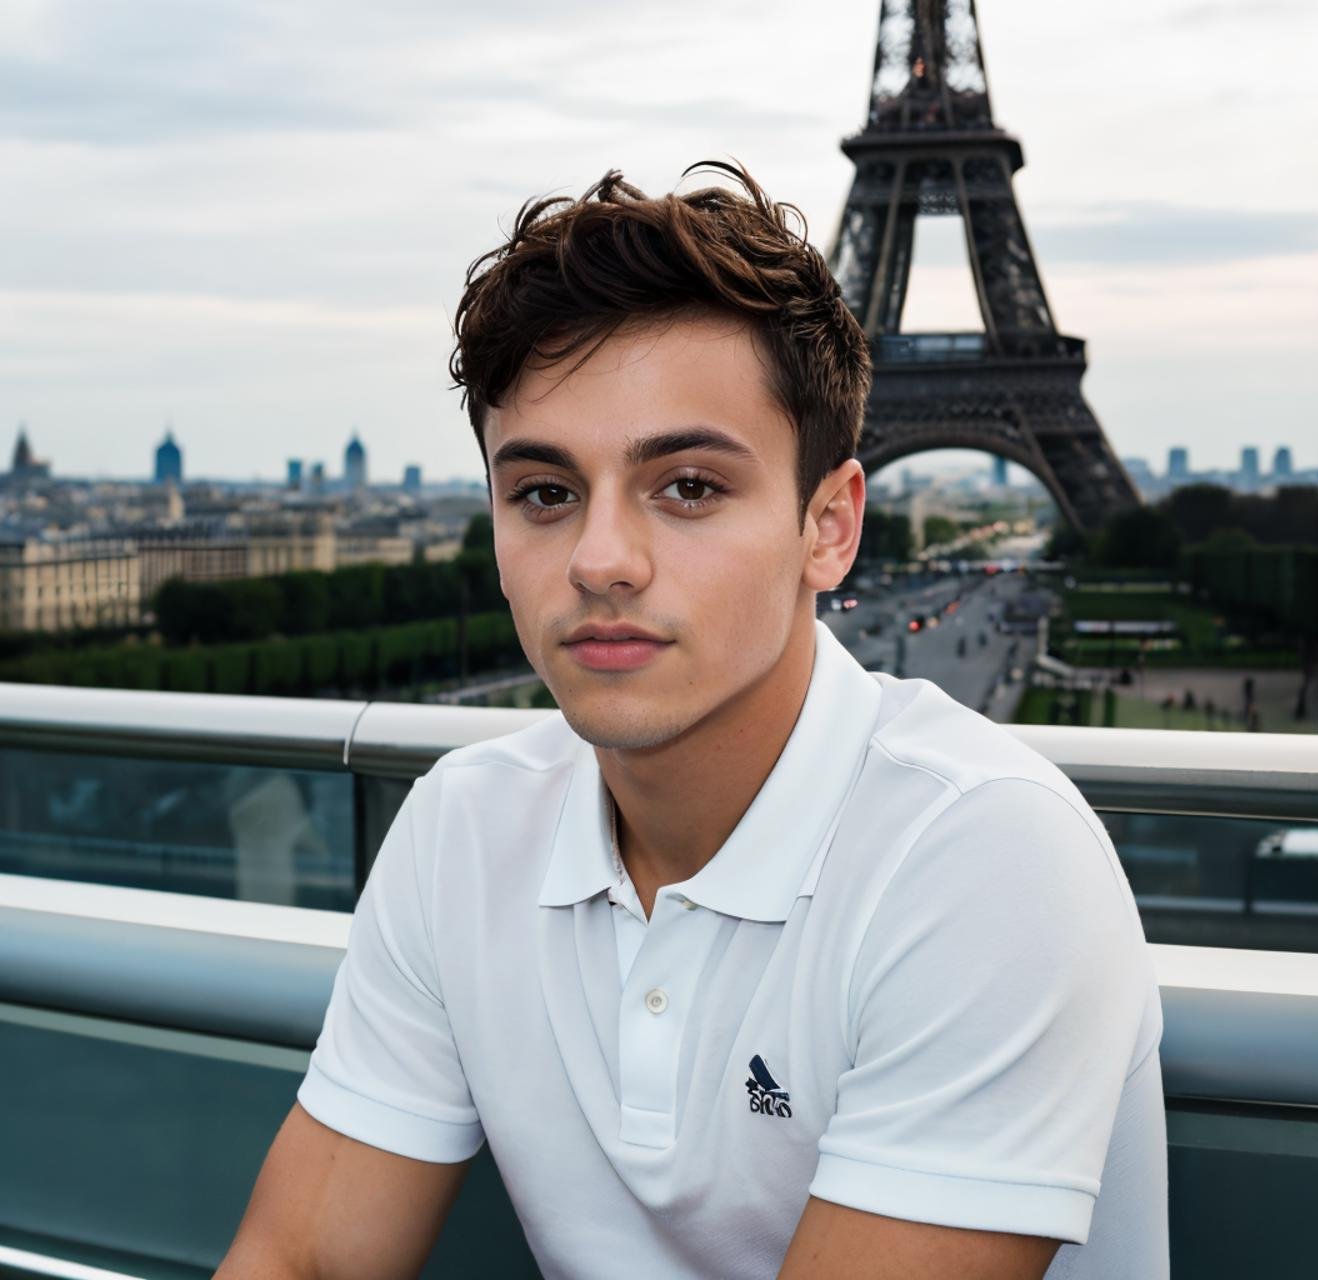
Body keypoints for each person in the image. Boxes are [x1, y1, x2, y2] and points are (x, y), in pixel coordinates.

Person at [217, 162, 1166, 1280]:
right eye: (543, 493)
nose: (600, 560)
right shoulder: (458, 829)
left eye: (689, 488)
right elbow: (302, 1261)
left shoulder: (987, 854)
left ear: (829, 525)